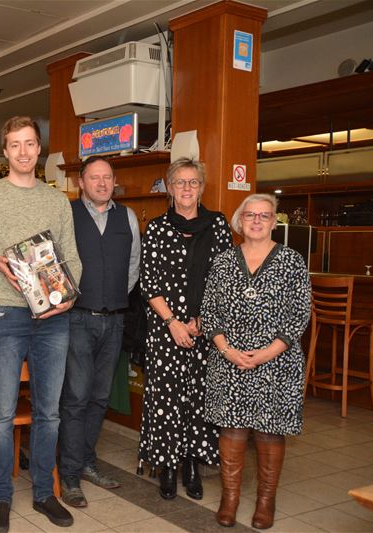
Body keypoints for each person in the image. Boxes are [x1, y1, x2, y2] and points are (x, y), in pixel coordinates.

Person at [0, 116, 82, 533]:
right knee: (0, 415)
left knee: (49, 413)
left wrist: (66, 300)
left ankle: (44, 495)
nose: (24, 152)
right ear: (5, 151)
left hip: (53, 319)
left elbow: (72, 258)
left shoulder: (57, 202)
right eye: (15, 145)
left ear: (39, 149)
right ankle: (0, 497)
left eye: (30, 144)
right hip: (5, 315)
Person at [201, 194, 311, 529]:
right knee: (232, 428)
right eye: (251, 215)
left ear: (274, 221)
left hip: (276, 362)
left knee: (269, 431)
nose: (257, 221)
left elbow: (299, 314)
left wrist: (265, 353)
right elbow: (209, 312)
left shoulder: (292, 261)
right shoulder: (222, 262)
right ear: (240, 220)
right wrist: (227, 350)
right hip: (229, 359)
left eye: (265, 215)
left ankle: (266, 501)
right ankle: (229, 499)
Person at [137, 157, 232, 501]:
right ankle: (166, 468)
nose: (187, 188)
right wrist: (173, 322)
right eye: (180, 182)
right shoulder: (159, 228)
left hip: (206, 331)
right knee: (166, 399)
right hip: (166, 330)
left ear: (202, 188)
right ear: (170, 188)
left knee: (198, 400)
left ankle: (192, 465)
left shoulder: (218, 224)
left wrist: (204, 319)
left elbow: (224, 278)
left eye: (193, 182)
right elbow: (148, 282)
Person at [57, 155, 140, 507]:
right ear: (81, 182)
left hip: (115, 319)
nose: (102, 183)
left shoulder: (128, 217)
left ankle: (86, 461)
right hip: (77, 317)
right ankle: (69, 473)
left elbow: (134, 264)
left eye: (107, 178)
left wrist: (113, 294)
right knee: (75, 397)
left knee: (100, 397)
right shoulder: (67, 214)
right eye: (95, 178)